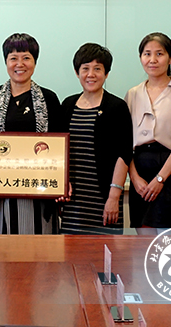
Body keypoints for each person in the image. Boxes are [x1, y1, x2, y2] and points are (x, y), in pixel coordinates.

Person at [0, 33, 63, 234]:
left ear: (35, 62)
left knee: (39, 249)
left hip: (39, 191)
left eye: (26, 58)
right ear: (6, 62)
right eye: (13, 58)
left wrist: (62, 181)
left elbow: (60, 147)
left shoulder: (49, 99)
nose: (19, 64)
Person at [124, 32, 171, 229]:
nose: (153, 60)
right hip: (140, 169)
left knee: (169, 243)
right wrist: (134, 178)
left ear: (170, 58)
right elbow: (124, 142)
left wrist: (160, 178)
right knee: (143, 241)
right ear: (140, 58)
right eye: (147, 54)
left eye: (159, 54)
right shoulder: (132, 94)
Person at [60, 43, 133, 234]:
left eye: (97, 69)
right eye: (85, 68)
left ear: (106, 73)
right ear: (77, 72)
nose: (91, 74)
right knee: (70, 250)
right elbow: (58, 151)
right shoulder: (67, 105)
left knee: (105, 251)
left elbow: (124, 154)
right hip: (72, 202)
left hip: (104, 199)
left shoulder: (117, 107)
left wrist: (114, 197)